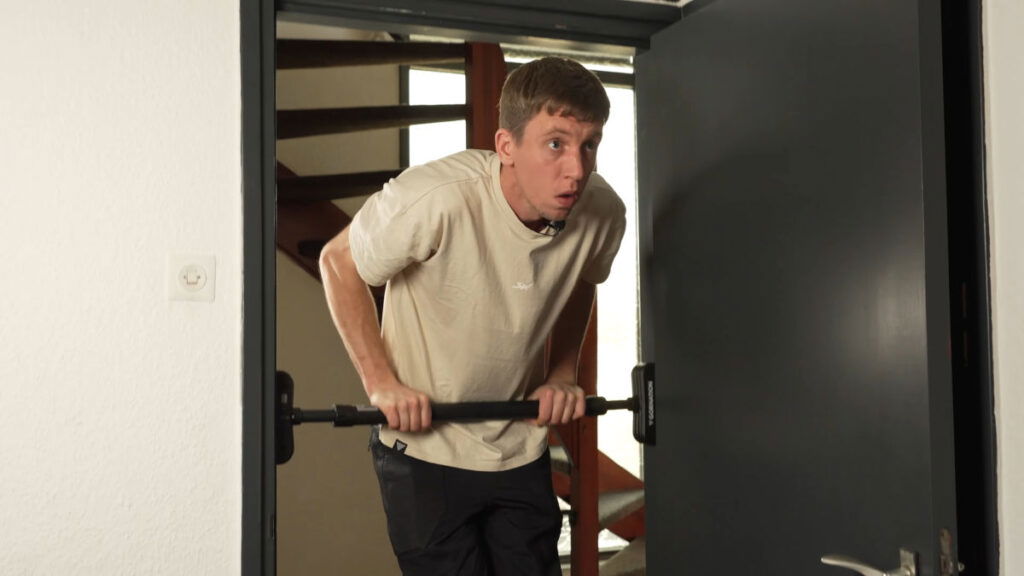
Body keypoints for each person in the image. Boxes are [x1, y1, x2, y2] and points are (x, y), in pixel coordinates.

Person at [318, 56, 626, 575]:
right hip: (421, 452)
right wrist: (381, 384)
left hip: (518, 445)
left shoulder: (601, 212)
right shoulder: (437, 198)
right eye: (555, 143)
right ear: (507, 146)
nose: (576, 167)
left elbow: (581, 281)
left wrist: (561, 373)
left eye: (588, 144)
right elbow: (338, 261)